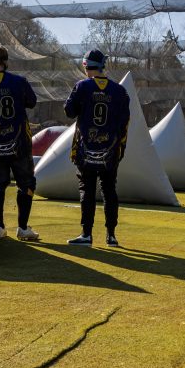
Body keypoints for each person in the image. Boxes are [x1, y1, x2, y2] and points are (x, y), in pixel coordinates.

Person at [63, 49, 129, 247]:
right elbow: (124, 122)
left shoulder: (82, 87)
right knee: (109, 191)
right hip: (110, 151)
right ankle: (111, 236)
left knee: (87, 191)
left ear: (86, 66)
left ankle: (86, 234)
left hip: (86, 149)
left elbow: (69, 111)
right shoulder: (120, 91)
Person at [0, 41, 40, 241]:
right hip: (19, 143)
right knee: (27, 183)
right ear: (5, 61)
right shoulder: (18, 81)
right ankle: (22, 228)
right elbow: (32, 101)